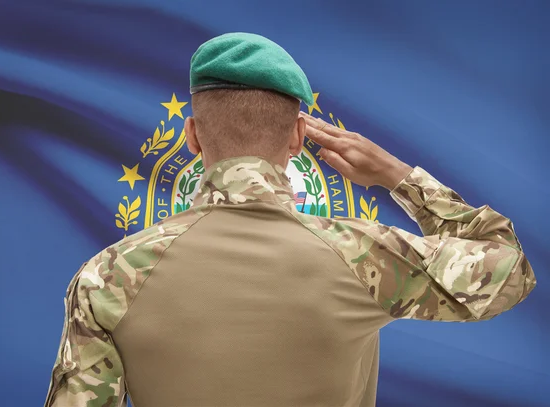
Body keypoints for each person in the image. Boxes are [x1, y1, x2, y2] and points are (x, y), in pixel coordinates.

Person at [44, 32, 536, 407]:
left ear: (192, 136)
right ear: (299, 135)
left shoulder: (107, 276)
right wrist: (398, 176)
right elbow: (509, 268)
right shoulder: (366, 256)